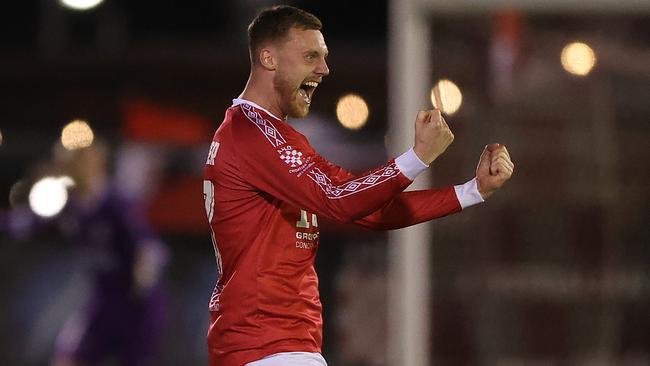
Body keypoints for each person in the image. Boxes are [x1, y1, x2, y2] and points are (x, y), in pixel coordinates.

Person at [202, 5, 514, 366]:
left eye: (324, 57)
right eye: (310, 56)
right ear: (268, 58)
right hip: (266, 347)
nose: (323, 69)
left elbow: (366, 208)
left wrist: (472, 190)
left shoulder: (273, 138)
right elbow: (340, 201)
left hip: (277, 347)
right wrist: (417, 157)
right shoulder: (252, 133)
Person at [2, 142, 169, 366]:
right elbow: (27, 224)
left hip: (135, 307)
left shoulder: (116, 204)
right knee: (69, 359)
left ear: (95, 165)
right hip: (102, 303)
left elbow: (151, 249)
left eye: (75, 163)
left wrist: (144, 272)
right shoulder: (67, 202)